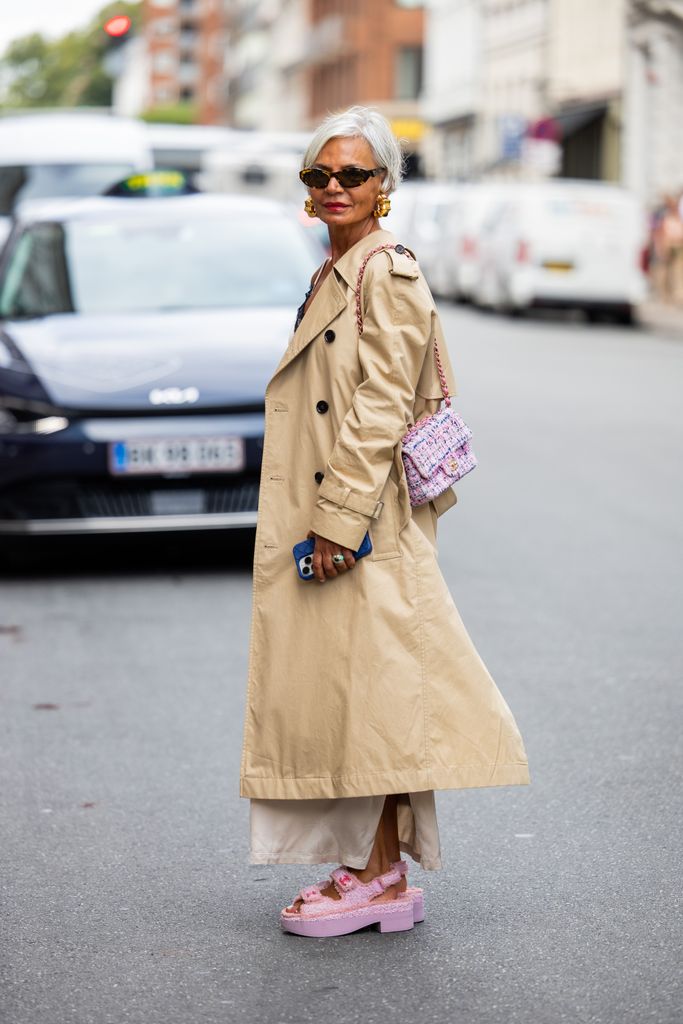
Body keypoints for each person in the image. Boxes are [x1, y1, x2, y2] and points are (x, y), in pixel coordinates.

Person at [240, 106, 529, 938]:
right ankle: (377, 869)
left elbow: (376, 407)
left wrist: (335, 523)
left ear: (384, 188)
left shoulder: (385, 272)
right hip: (343, 517)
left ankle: (375, 875)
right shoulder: (337, 267)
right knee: (362, 698)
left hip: (359, 526)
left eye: (353, 175)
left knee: (372, 699)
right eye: (318, 176)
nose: (334, 188)